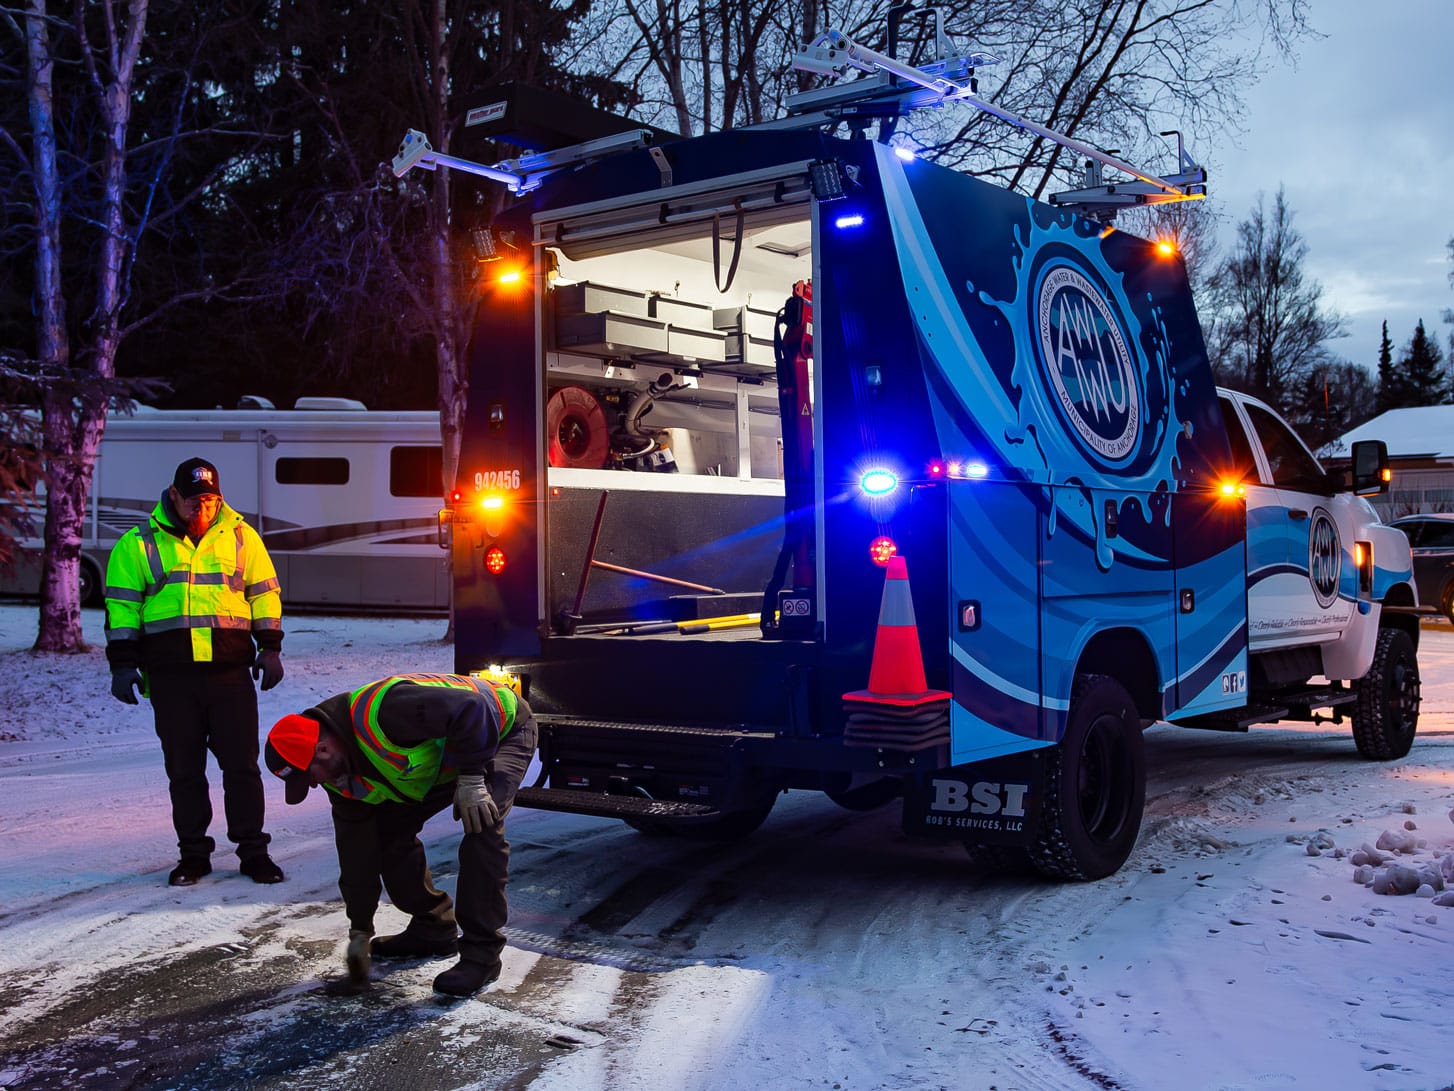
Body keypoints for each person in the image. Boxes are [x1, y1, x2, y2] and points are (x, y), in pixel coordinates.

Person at [264, 672, 537, 997]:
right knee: (388, 836)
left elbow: (472, 708)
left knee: (482, 823)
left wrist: (473, 781)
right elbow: (356, 853)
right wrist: (360, 930)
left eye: (309, 775)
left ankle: (482, 957)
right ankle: (433, 927)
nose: (313, 784)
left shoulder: (387, 713)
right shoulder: (339, 778)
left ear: (322, 749)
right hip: (445, 756)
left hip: (499, 726)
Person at [105, 456, 286, 887]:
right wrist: (123, 665)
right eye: (192, 501)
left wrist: (271, 648)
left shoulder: (242, 537)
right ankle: (193, 856)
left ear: (219, 497)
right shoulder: (137, 543)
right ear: (174, 496)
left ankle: (254, 853)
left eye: (209, 500)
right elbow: (122, 608)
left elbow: (265, 595)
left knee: (242, 767)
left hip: (229, 674)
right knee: (184, 770)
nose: (200, 510)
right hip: (171, 679)